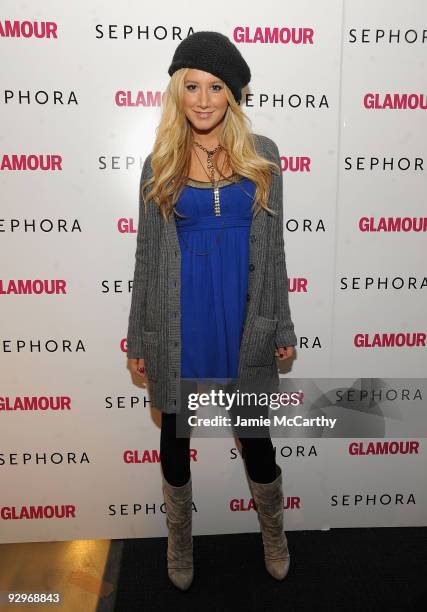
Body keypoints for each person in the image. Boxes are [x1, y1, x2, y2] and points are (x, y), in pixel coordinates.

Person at [126, 31, 298, 591]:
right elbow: (147, 259)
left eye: (215, 87)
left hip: (243, 318)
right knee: (175, 437)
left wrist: (282, 322)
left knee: (256, 438)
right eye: (191, 87)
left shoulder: (264, 155)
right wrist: (138, 339)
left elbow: (273, 250)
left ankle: (273, 532)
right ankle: (180, 542)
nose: (202, 100)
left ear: (233, 93)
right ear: (178, 93)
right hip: (180, 320)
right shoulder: (160, 163)